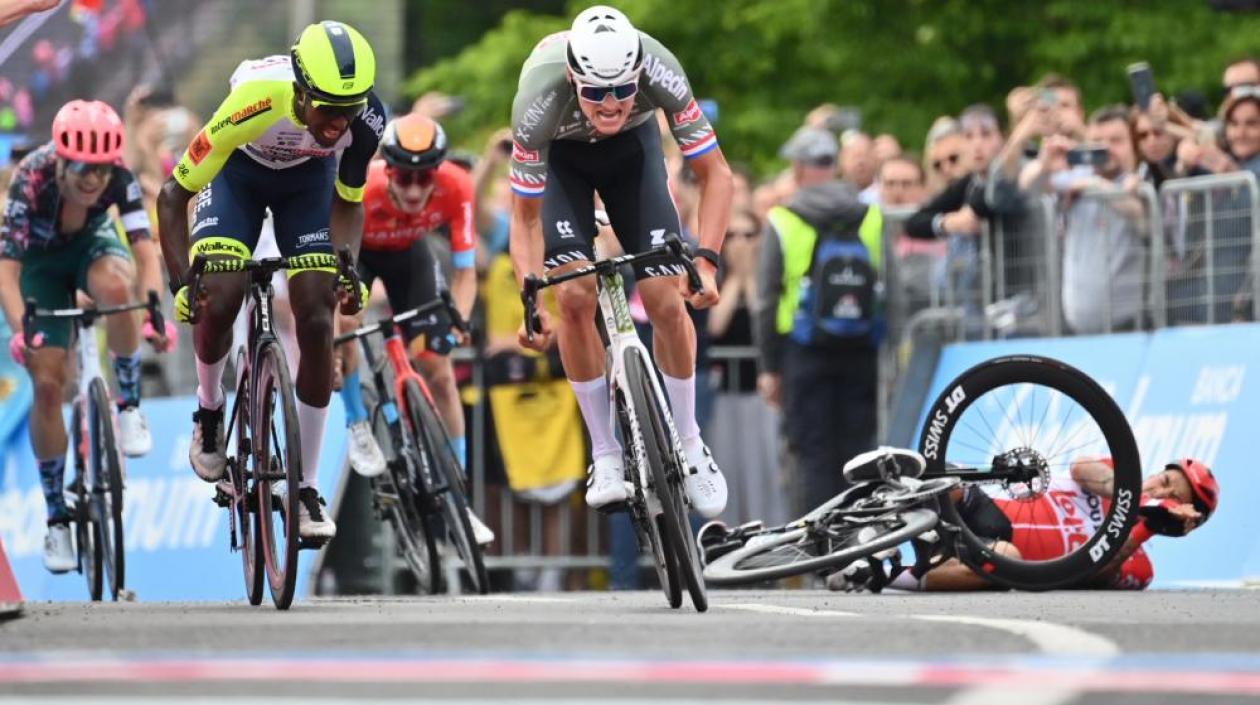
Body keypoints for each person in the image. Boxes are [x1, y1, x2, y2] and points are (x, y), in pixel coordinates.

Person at [156, 20, 386, 542]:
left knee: (316, 311)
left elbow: (349, 202)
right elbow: (172, 195)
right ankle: (210, 412)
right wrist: (180, 283)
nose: (336, 123)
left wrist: (347, 264)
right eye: (326, 108)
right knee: (224, 292)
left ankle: (304, 488)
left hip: (308, 186)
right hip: (236, 175)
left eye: (346, 111)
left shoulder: (366, 120)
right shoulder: (253, 102)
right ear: (300, 91)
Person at [507, 5, 733, 517]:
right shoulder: (537, 99)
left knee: (665, 299)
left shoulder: (661, 70)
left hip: (634, 156)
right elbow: (522, 219)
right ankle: (605, 454)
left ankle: (691, 442)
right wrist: (531, 294)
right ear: (572, 78)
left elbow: (716, 175)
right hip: (562, 164)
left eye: (621, 91)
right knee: (573, 296)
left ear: (637, 75)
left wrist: (709, 261)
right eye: (594, 92)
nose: (609, 105)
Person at [0, 99, 172, 572]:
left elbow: (145, 254)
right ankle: (57, 516)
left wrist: (155, 311)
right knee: (48, 382)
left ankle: (129, 403)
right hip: (38, 265)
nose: (93, 180)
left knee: (118, 286)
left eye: (101, 170)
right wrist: (22, 331)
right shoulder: (30, 179)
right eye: (82, 170)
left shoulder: (120, 177)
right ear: (59, 161)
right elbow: (7, 275)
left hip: (93, 249)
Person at [333, 112, 494, 544]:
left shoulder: (457, 185)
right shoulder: (361, 187)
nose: (414, 189)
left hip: (410, 262)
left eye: (425, 178)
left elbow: (464, 274)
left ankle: (460, 501)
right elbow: (334, 267)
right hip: (359, 258)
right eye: (404, 177)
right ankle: (356, 425)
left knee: (437, 370)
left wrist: (457, 319)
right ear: (387, 169)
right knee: (346, 320)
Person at [833, 457, 1219, 592]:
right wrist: (1136, 497)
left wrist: (1147, 524)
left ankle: (880, 574)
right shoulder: (1121, 472)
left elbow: (1095, 575)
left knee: (1005, 560)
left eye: (1173, 498)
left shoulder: (1142, 565)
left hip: (992, 549)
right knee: (950, 485)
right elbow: (1081, 469)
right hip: (987, 509)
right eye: (1165, 480)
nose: (1160, 489)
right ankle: (868, 507)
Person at [755, 126, 884, 516]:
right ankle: (860, 540)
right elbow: (887, 287)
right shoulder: (871, 215)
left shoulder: (783, 219)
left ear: (798, 169)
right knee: (859, 450)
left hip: (803, 349)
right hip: (861, 347)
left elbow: (766, 297)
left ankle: (821, 554)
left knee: (812, 452)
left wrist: (769, 366)